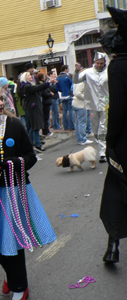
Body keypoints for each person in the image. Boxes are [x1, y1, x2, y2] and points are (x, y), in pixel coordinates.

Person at [0, 81, 56, 300]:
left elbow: (31, 156)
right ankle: (12, 274)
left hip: (16, 191)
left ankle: (20, 287)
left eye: (1, 98)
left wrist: (14, 163)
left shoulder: (14, 125)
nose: (0, 103)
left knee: (15, 240)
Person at [98, 5, 127, 264]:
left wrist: (109, 144)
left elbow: (117, 111)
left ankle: (113, 245)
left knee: (116, 191)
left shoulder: (118, 67)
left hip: (124, 142)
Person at [73, 53, 109, 163]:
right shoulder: (88, 72)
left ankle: (103, 151)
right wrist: (76, 71)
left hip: (106, 104)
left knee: (103, 127)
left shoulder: (108, 71)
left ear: (104, 63)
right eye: (97, 63)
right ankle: (103, 146)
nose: (99, 65)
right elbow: (75, 80)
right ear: (94, 62)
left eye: (101, 63)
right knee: (95, 128)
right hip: (92, 104)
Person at [20, 72, 57, 152]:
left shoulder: (30, 85)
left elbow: (39, 88)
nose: (31, 76)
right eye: (29, 75)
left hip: (35, 107)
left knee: (34, 126)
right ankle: (37, 144)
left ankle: (30, 143)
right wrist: (48, 82)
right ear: (25, 78)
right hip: (33, 108)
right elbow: (38, 88)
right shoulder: (27, 86)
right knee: (35, 126)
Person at [56, 65, 75, 131]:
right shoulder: (67, 77)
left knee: (64, 111)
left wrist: (62, 90)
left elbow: (57, 88)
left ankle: (65, 127)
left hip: (62, 96)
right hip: (69, 95)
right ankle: (71, 126)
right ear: (66, 69)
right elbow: (72, 85)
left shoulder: (58, 78)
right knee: (70, 111)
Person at [37, 73, 54, 137]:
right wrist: (50, 94)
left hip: (46, 103)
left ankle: (46, 130)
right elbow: (45, 94)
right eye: (44, 76)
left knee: (46, 118)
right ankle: (45, 131)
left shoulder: (44, 85)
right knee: (45, 118)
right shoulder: (42, 85)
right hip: (45, 103)